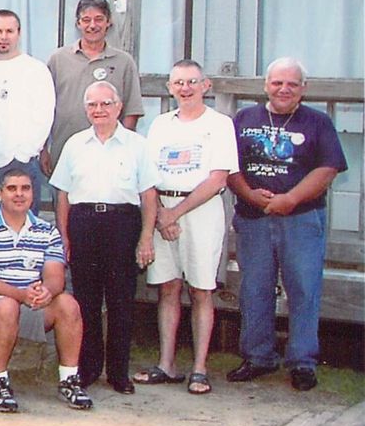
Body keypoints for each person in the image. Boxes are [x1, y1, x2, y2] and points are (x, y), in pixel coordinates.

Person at [227, 57, 346, 391]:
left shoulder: (318, 122)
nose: (284, 89)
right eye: (278, 83)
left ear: (303, 89)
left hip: (301, 219)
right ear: (266, 85)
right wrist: (250, 195)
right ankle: (257, 357)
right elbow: (227, 166)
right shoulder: (244, 118)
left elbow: (328, 169)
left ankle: (303, 361)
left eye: (292, 84)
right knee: (254, 288)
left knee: (304, 289)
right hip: (253, 219)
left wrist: (289, 199)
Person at [135, 61, 236, 394]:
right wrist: (161, 213)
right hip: (163, 210)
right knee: (167, 287)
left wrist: (175, 212)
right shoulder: (160, 125)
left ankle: (200, 368)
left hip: (200, 211)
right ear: (169, 87)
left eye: (192, 82)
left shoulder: (220, 125)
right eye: (179, 82)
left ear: (205, 85)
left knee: (201, 289)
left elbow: (217, 179)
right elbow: (148, 175)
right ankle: (167, 364)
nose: (186, 88)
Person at [51, 82, 157, 396]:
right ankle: (88, 367)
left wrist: (146, 237)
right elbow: (63, 195)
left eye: (105, 104)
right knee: (87, 300)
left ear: (118, 106)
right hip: (83, 223)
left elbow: (149, 195)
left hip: (123, 223)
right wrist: (65, 236)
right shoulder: (74, 144)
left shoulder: (137, 145)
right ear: (86, 109)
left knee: (121, 300)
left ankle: (119, 372)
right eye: (93, 105)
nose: (99, 110)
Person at [0, 166, 91, 413]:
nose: (19, 194)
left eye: (25, 188)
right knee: (6, 306)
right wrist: (20, 295)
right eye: (12, 189)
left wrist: (47, 291)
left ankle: (69, 379)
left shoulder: (47, 230)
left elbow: (56, 276)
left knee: (68, 304)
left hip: (31, 302)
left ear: (33, 193)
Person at [43, 0, 145, 176]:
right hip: (64, 152)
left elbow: (132, 111)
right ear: (77, 23)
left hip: (111, 157)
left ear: (109, 22)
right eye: (86, 20)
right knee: (64, 202)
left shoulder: (123, 62)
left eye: (99, 19)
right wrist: (43, 149)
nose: (92, 25)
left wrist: (122, 149)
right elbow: (43, 110)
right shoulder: (58, 59)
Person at [0, 9, 55, 215]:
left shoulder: (35, 69)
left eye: (9, 31)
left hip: (19, 162)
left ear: (19, 33)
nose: (3, 37)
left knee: (21, 228)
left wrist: (24, 153)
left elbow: (44, 115)